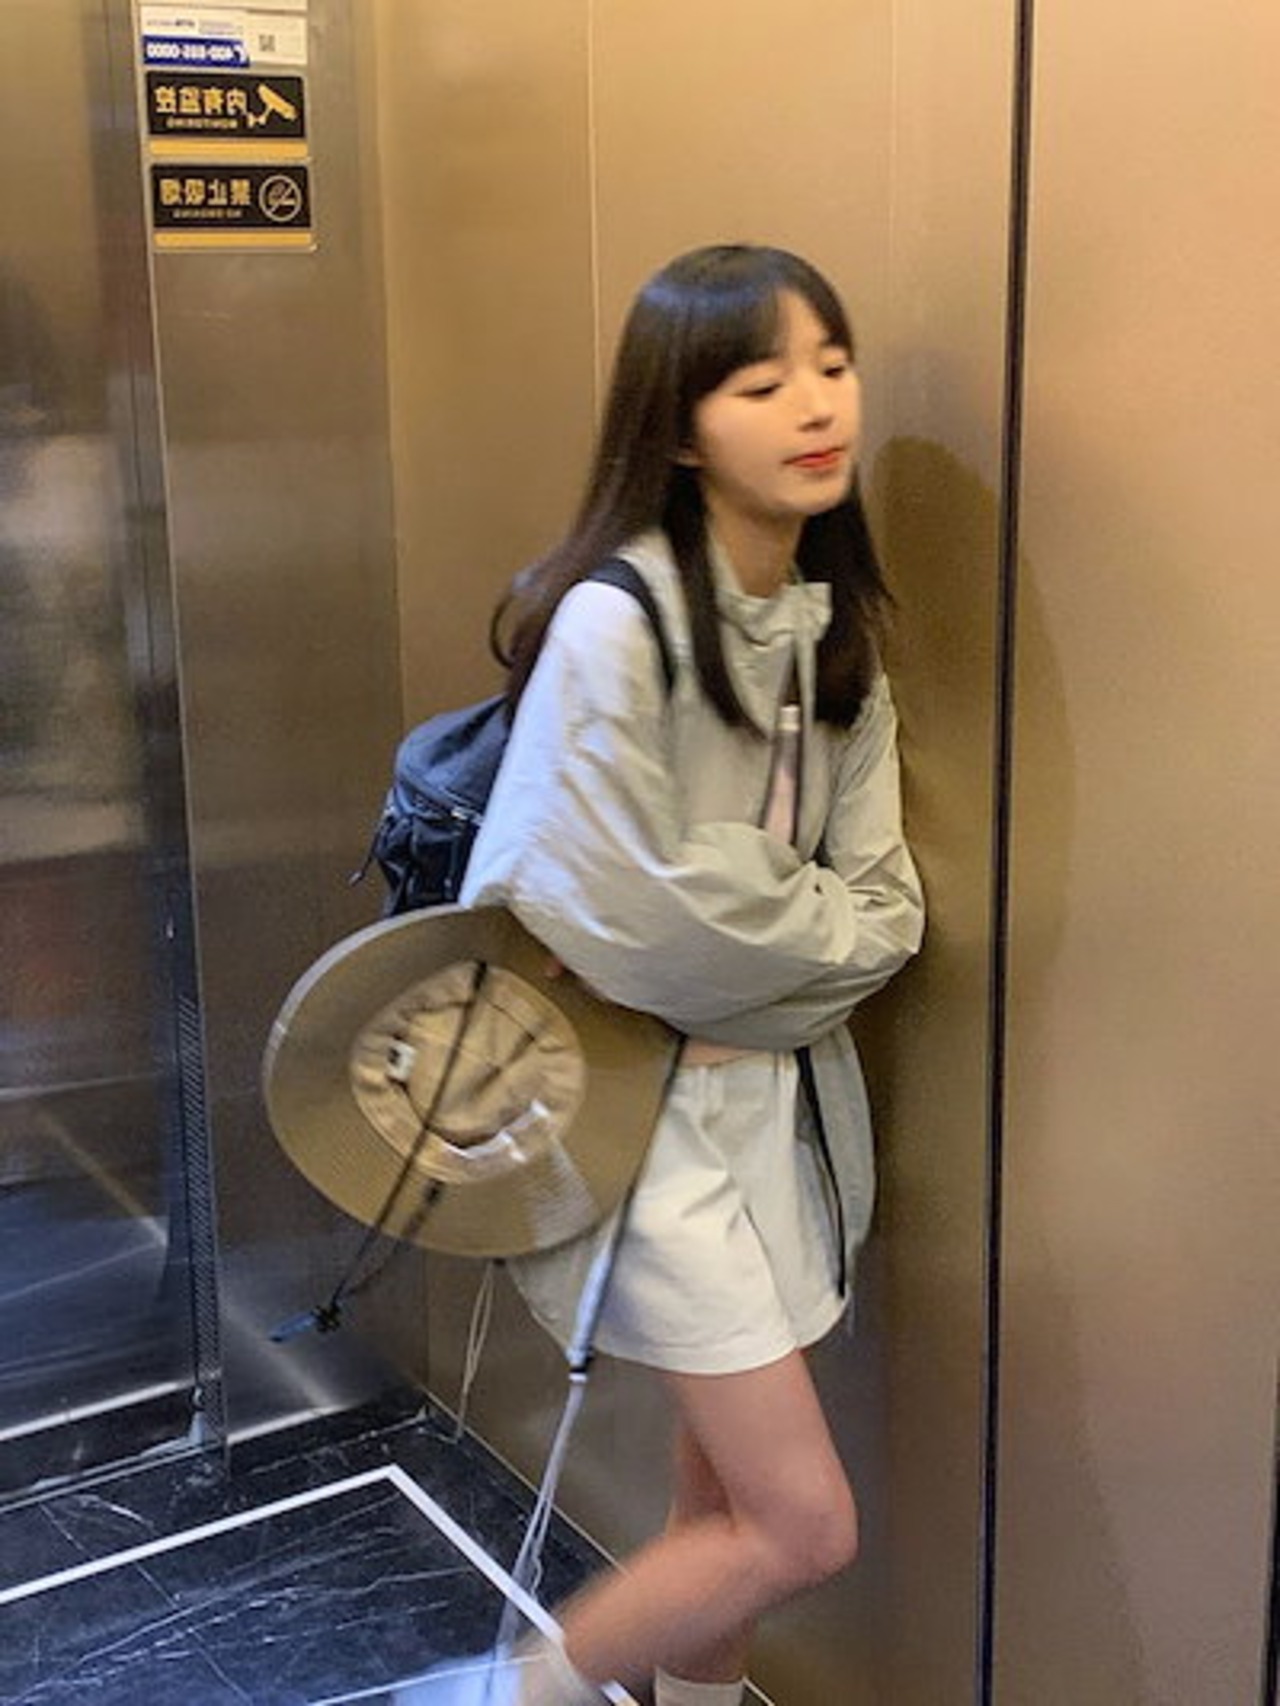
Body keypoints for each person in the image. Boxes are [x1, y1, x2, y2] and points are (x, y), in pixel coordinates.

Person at [455, 243, 924, 1705]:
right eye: (761, 381)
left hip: (774, 1113)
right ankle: (494, 1699)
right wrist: (772, 923)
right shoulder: (617, 621)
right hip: (637, 1125)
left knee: (722, 1511)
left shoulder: (838, 635)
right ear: (678, 428)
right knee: (803, 1525)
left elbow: (888, 915)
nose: (817, 405)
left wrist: (741, 920)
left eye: (833, 366)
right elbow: (630, 919)